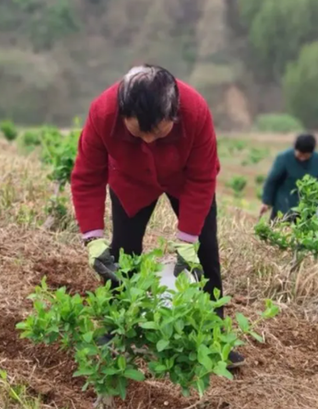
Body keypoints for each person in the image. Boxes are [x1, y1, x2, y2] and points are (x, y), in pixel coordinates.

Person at [70, 64, 245, 368]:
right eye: (138, 133)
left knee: (205, 254)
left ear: (174, 113)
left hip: (185, 181)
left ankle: (213, 335)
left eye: (158, 133)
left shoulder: (195, 111)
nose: (148, 142)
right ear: (123, 115)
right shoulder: (102, 113)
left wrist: (187, 239)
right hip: (130, 181)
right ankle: (120, 328)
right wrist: (93, 238)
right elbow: (87, 177)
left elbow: (202, 178)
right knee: (122, 254)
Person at [259, 133, 318, 220]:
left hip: (307, 205)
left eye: (306, 156)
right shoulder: (284, 158)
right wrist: (266, 201)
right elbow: (272, 180)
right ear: (295, 149)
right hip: (285, 203)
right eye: (300, 154)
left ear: (311, 152)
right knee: (280, 229)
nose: (302, 158)